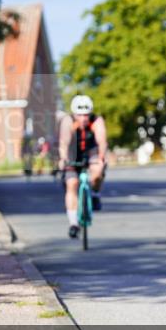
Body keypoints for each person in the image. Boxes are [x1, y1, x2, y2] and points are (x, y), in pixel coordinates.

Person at [57, 95, 108, 239]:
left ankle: (95, 194)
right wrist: (63, 159)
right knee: (71, 183)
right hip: (73, 153)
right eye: (80, 114)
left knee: (97, 172)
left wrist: (101, 159)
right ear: (74, 114)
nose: (84, 118)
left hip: (92, 151)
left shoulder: (97, 121)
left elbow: (102, 142)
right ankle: (73, 224)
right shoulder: (67, 121)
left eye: (86, 114)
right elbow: (64, 143)